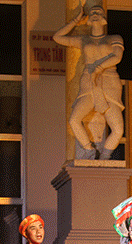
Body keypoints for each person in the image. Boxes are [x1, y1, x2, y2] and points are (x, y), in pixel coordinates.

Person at [54, 3, 124, 160]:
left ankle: (105, 156)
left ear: (104, 17)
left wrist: (98, 68)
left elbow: (117, 57)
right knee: (74, 120)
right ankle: (89, 150)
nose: (95, 14)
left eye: (98, 11)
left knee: (118, 129)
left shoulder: (114, 38)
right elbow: (57, 38)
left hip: (109, 81)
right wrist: (75, 20)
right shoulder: (84, 39)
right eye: (92, 12)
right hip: (88, 82)